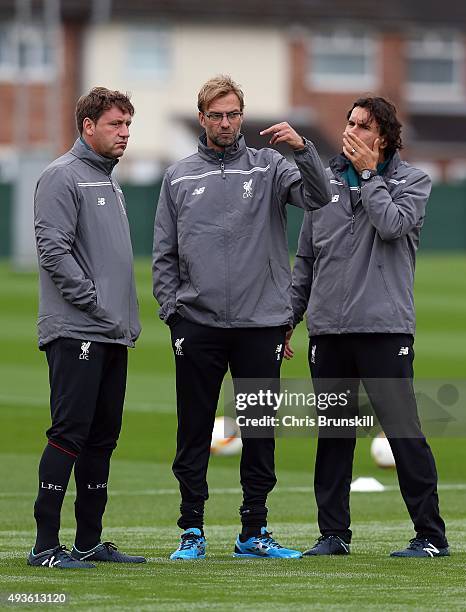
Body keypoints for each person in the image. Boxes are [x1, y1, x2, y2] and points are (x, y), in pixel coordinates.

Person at [152, 74, 330, 560]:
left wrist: (303, 149)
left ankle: (254, 531)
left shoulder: (271, 166)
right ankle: (192, 530)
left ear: (242, 116)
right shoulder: (180, 175)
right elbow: (163, 254)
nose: (226, 123)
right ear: (202, 117)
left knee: (259, 431)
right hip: (198, 326)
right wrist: (173, 314)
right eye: (216, 115)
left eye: (233, 114)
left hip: (260, 325)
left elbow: (320, 197)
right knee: (193, 429)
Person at [288, 96, 449, 558]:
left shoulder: (412, 182)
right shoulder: (323, 184)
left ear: (384, 136)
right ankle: (333, 534)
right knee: (335, 435)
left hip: (384, 330)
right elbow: (306, 259)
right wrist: (290, 319)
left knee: (403, 432)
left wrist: (371, 177)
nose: (352, 131)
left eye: (364, 125)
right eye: (350, 123)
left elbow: (393, 225)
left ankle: (431, 536)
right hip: (328, 332)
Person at [30, 87, 145, 569]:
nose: (124, 134)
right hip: (77, 330)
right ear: (88, 126)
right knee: (69, 433)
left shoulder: (108, 180)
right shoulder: (62, 176)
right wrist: (96, 306)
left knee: (102, 438)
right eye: (116, 125)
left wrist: (125, 318)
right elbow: (53, 251)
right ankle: (44, 548)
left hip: (110, 332)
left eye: (127, 125)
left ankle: (88, 542)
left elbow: (113, 262)